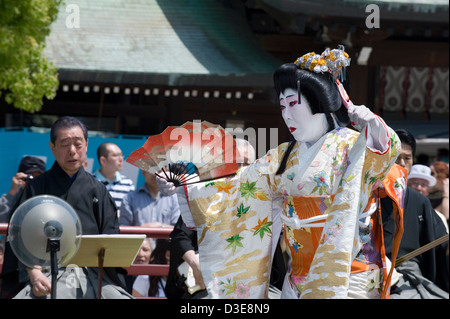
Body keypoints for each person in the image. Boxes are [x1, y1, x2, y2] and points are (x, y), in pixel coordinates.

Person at [157, 46, 401, 299]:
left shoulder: (353, 146)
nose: (287, 114)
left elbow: (384, 156)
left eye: (293, 103)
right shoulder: (283, 156)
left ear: (318, 102)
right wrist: (187, 184)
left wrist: (373, 127)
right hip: (297, 278)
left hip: (350, 274)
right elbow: (238, 189)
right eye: (282, 106)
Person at [0, 116, 132, 299]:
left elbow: (110, 239)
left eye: (78, 144)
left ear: (86, 144)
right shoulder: (35, 188)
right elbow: (19, 238)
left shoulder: (98, 190)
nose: (72, 151)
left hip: (93, 274)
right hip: (46, 273)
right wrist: (34, 274)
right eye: (64, 144)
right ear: (52, 147)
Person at [384, 129, 449, 298]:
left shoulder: (420, 201)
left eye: (407, 158)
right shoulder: (366, 196)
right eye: (396, 157)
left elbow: (441, 245)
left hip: (410, 276)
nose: (402, 163)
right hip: (371, 272)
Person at [0, 156, 46, 269]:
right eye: (29, 176)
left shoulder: (48, 200)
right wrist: (13, 191)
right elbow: (2, 220)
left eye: (37, 176)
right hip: (10, 251)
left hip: (40, 254)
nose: (32, 181)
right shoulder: (10, 198)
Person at [94, 142, 135, 216]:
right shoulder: (89, 182)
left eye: (121, 155)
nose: (121, 159)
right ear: (103, 160)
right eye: (115, 155)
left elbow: (132, 213)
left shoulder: (128, 184)